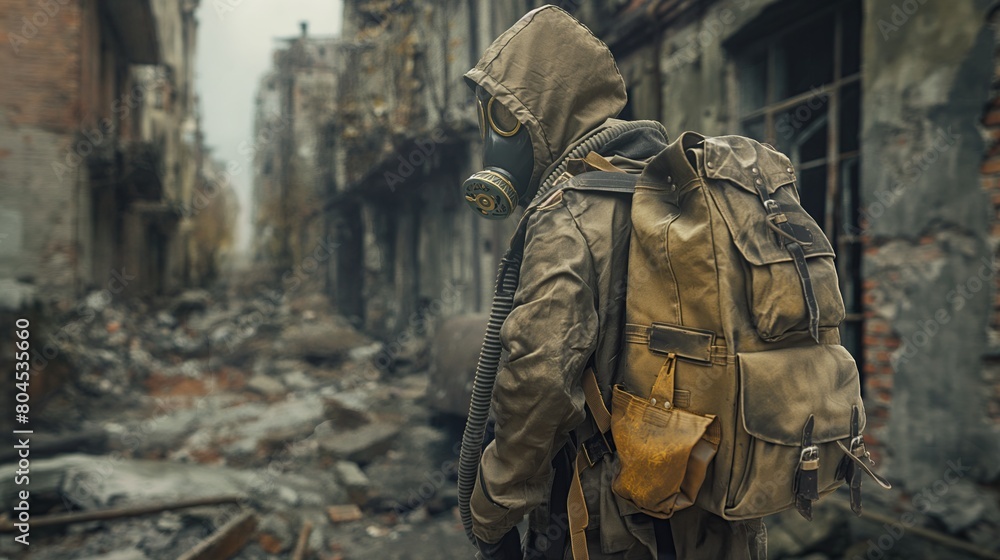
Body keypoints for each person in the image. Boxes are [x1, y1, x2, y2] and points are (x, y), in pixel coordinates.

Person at [460, 5, 768, 560]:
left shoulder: (570, 214)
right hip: (712, 508)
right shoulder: (681, 190)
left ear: (543, 114)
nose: (493, 139)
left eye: (502, 117)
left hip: (614, 519)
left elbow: (536, 382)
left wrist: (491, 512)